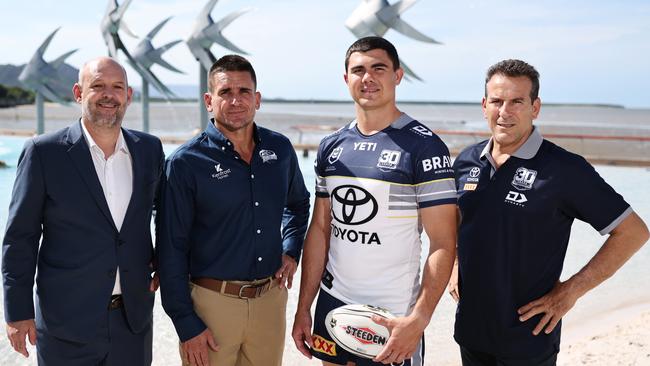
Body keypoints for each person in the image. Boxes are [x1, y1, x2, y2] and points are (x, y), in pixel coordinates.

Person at [449, 59, 649, 365]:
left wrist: (571, 291)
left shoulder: (564, 169)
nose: (505, 112)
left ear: (535, 107)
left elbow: (633, 232)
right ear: (484, 105)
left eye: (517, 101)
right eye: (497, 101)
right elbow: (462, 221)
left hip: (527, 340)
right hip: (470, 332)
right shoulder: (466, 161)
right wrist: (454, 262)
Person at [291, 36, 457, 366]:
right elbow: (321, 230)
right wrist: (303, 308)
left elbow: (443, 242)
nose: (368, 78)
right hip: (333, 306)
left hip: (395, 314)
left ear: (398, 75)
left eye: (378, 68)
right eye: (359, 70)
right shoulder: (331, 146)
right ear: (346, 79)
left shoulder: (423, 147)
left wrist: (420, 318)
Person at [2, 56, 164, 365]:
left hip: (133, 323)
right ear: (78, 93)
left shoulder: (150, 149)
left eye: (118, 87)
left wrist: (164, 259)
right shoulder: (43, 153)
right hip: (66, 325)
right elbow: (19, 238)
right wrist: (18, 312)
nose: (109, 95)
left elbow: (166, 214)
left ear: (128, 96)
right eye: (98, 86)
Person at [159, 54, 310, 366]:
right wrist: (186, 325)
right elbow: (170, 248)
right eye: (225, 92)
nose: (236, 100)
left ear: (257, 99)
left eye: (244, 92)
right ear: (209, 100)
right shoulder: (185, 163)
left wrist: (291, 250)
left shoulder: (279, 149)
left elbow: (297, 204)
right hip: (212, 306)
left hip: (270, 301)